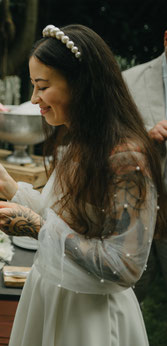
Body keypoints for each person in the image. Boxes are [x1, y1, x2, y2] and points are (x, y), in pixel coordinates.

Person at [0, 24, 166, 346]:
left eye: (42, 86)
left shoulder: (126, 157)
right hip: (52, 295)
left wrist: (36, 228)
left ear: (80, 84)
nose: (34, 98)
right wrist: (9, 187)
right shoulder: (83, 140)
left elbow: (124, 265)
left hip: (90, 316)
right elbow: (67, 217)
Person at [123, 29, 167, 302]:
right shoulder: (130, 81)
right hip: (136, 199)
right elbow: (111, 138)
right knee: (129, 289)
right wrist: (146, 139)